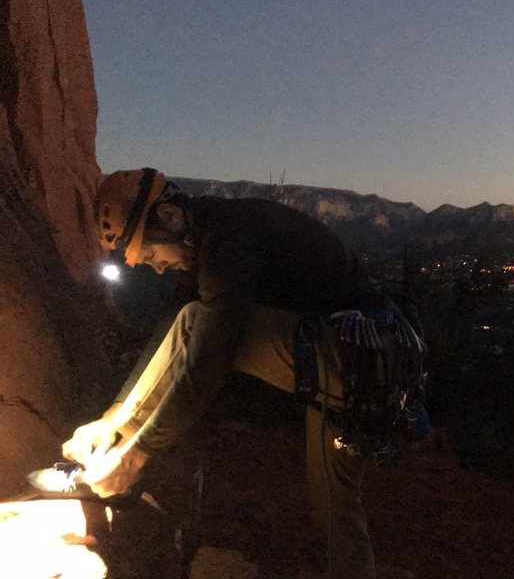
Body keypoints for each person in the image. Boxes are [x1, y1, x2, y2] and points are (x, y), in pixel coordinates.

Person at [61, 168, 425, 579]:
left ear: (169, 217)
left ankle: (123, 456)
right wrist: (112, 416)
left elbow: (208, 358)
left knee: (199, 322)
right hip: (364, 370)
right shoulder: (212, 237)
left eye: (149, 255)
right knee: (335, 507)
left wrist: (138, 450)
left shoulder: (229, 238)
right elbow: (171, 330)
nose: (157, 268)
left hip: (343, 359)